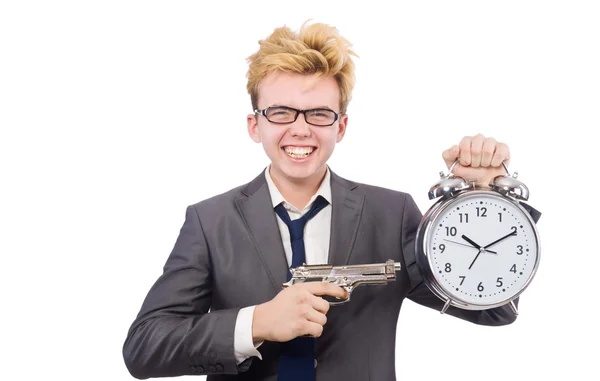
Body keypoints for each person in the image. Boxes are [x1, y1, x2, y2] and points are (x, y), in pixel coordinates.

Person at [122, 21, 536, 381]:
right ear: (254, 125)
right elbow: (143, 349)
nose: (300, 130)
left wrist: (487, 200)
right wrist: (257, 323)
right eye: (281, 112)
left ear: (341, 126)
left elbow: (495, 311)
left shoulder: (391, 215)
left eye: (319, 114)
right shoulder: (209, 222)